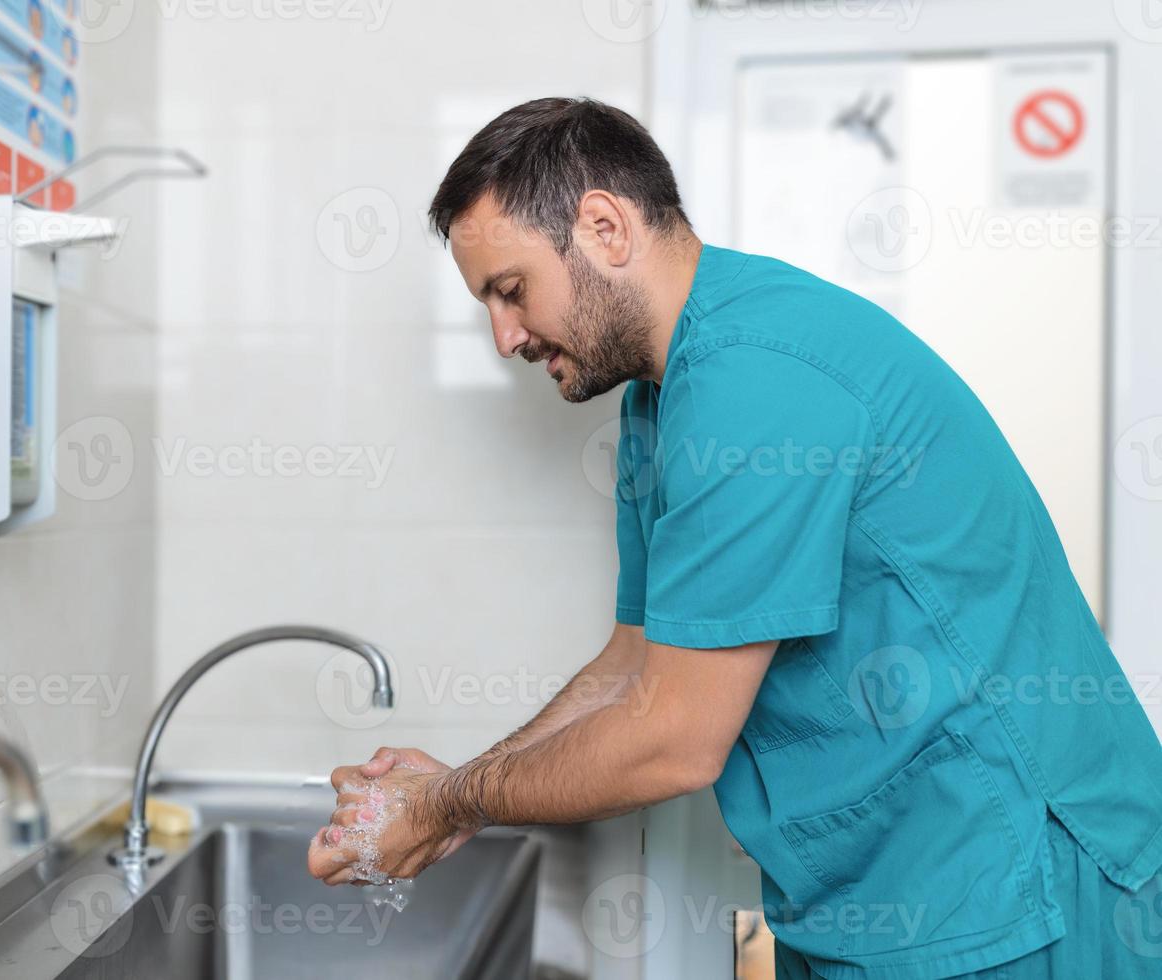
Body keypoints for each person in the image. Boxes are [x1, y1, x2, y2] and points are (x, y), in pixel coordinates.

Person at [305, 97, 1162, 979]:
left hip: (1019, 888)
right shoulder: (657, 399)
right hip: (875, 904)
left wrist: (446, 806)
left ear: (604, 227)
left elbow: (672, 737)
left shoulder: (755, 381)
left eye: (511, 291)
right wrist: (458, 789)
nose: (504, 337)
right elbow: (634, 665)